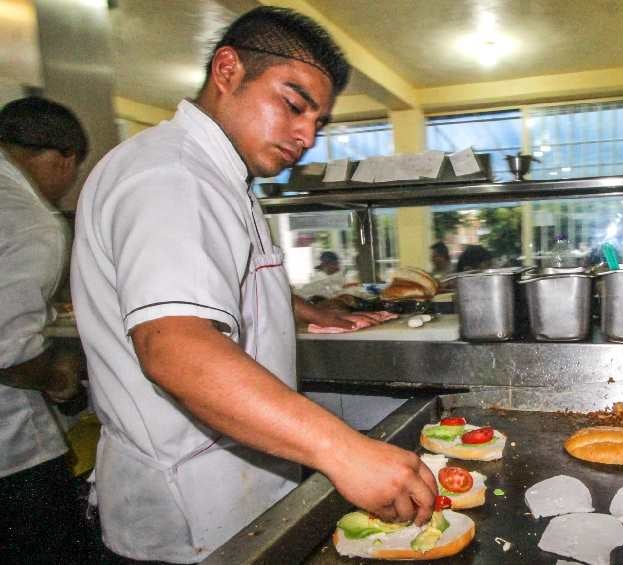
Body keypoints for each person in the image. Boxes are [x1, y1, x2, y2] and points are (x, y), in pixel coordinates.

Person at [70, 7, 436, 563]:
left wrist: (305, 310)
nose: (306, 136)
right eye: (293, 105)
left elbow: (223, 278)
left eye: (318, 122)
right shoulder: (173, 175)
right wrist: (344, 450)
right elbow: (175, 349)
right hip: (189, 516)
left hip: (238, 492)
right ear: (228, 70)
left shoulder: (221, 177)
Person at [0, 97, 88, 560]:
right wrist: (58, 378)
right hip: (10, 457)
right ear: (64, 157)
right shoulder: (33, 222)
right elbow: (8, 352)